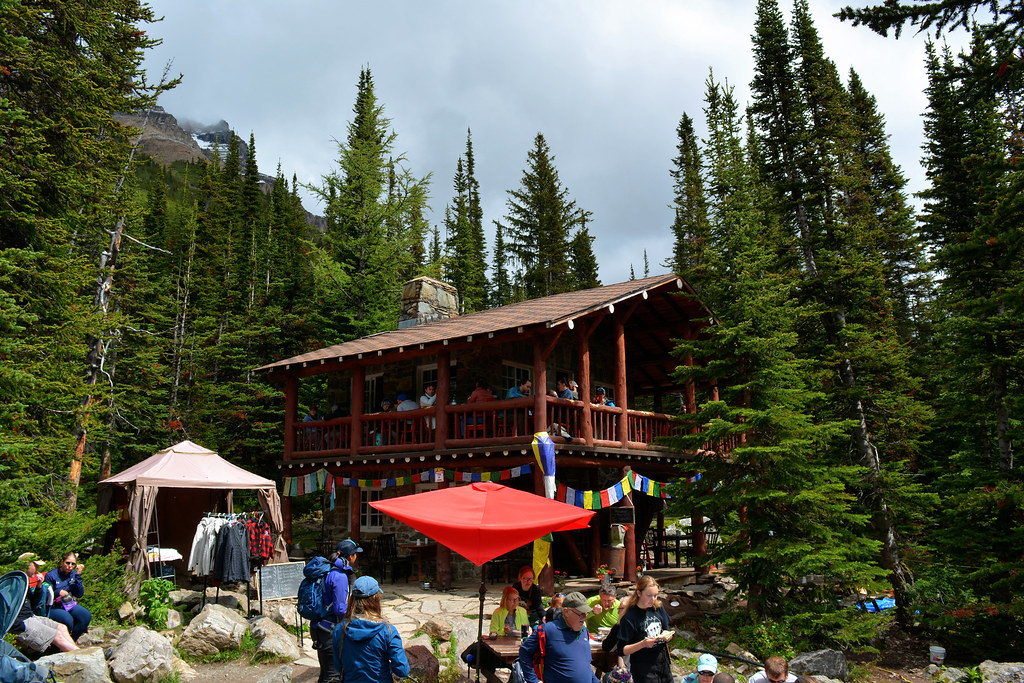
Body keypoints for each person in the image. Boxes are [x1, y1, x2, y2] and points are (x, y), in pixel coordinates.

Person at [332, 575, 409, 683]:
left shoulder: (339, 629)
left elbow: (338, 666)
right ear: (375, 599)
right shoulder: (387, 631)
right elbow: (402, 670)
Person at [518, 591, 600, 683]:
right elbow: (524, 651)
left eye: (585, 614)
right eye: (580, 614)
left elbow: (585, 665)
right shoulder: (548, 630)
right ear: (566, 612)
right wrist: (533, 680)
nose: (583, 618)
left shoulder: (584, 632)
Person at [312, 539, 361, 683]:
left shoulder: (329, 569)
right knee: (333, 675)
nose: (356, 557)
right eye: (355, 554)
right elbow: (340, 609)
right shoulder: (339, 576)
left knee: (325, 672)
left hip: (318, 626)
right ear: (350, 557)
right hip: (328, 629)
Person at [615, 576, 672, 683]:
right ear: (639, 593)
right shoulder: (630, 617)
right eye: (649, 596)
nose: (653, 599)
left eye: (655, 595)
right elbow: (622, 650)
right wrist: (642, 644)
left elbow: (667, 629)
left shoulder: (658, 608)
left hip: (663, 665)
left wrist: (667, 636)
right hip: (644, 670)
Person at [10, 587, 79, 654]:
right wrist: (20, 626)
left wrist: (39, 587)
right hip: (21, 623)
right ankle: (81, 657)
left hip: (31, 617)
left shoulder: (23, 582)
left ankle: (79, 655)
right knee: (56, 636)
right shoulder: (9, 585)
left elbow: (33, 604)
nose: (36, 574)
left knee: (62, 627)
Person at [44, 552, 91, 641]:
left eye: (73, 564)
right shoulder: (51, 575)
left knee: (86, 615)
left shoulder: (73, 574)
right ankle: (63, 643)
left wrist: (78, 575)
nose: (70, 566)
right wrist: (58, 592)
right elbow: (45, 594)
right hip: (53, 605)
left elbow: (79, 594)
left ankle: (72, 640)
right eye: (67, 563)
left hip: (67, 601)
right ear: (62, 562)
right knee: (67, 619)